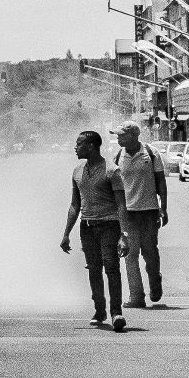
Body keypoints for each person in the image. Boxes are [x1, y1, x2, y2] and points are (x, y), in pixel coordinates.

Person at [60, 130, 129, 332]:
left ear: (91, 146)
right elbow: (75, 205)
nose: (75, 147)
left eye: (79, 143)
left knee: (111, 267)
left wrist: (124, 235)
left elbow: (121, 205)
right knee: (93, 269)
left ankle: (116, 312)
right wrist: (66, 233)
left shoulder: (112, 170)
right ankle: (100, 310)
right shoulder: (77, 171)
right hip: (87, 226)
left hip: (109, 225)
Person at [114, 124, 168, 309]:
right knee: (130, 254)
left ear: (133, 136)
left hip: (148, 211)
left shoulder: (151, 153)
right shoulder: (118, 156)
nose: (119, 139)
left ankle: (155, 280)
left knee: (150, 252)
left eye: (122, 135)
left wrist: (164, 208)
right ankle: (136, 296)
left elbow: (161, 180)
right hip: (127, 214)